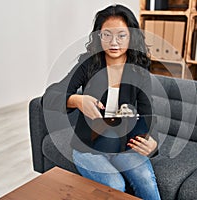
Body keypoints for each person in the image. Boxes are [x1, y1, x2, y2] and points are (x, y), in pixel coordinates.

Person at [42, 4, 161, 200]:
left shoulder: (139, 71)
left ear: (132, 36)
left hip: (125, 144)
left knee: (146, 180)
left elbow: (149, 113)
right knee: (115, 185)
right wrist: (76, 100)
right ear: (99, 36)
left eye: (121, 35)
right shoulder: (89, 64)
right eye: (107, 35)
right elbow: (50, 96)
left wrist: (153, 142)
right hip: (88, 146)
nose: (114, 42)